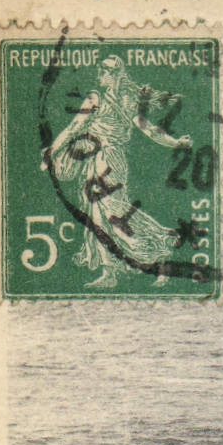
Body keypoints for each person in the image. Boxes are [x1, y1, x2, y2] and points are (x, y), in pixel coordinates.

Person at [41, 56, 190, 288]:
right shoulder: (116, 99)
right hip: (98, 162)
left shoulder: (106, 99)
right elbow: (75, 128)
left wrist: (175, 143)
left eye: (103, 71)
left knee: (115, 213)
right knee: (98, 215)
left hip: (108, 161)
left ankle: (160, 255)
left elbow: (75, 128)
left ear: (113, 75)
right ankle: (110, 272)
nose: (99, 75)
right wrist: (176, 142)